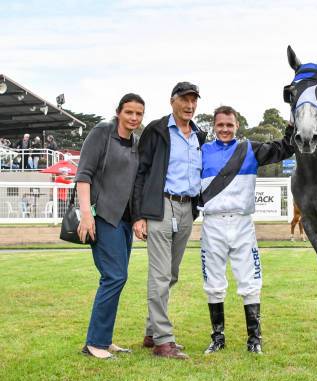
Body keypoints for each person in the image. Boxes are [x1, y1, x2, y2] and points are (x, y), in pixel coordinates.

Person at [199, 105, 294, 355]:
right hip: (212, 224)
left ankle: (254, 340)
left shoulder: (249, 148)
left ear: (237, 125)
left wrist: (294, 123)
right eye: (220, 125)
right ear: (213, 126)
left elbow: (284, 148)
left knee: (250, 281)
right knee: (213, 282)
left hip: (242, 224)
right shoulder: (201, 151)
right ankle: (217, 338)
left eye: (229, 125)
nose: (225, 129)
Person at [132, 82, 206, 360]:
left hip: (187, 210)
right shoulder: (157, 130)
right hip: (160, 207)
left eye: (194, 100)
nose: (190, 105)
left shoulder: (199, 134)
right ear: (172, 101)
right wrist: (138, 214)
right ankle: (164, 342)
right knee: (160, 275)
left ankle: (152, 333)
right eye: (184, 100)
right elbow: (141, 173)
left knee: (171, 274)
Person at [75, 93, 145, 359]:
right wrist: (86, 214)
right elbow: (84, 173)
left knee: (116, 278)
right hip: (102, 216)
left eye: (139, 114)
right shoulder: (102, 131)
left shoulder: (136, 142)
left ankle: (103, 339)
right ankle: (94, 344)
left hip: (124, 220)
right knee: (114, 276)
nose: (134, 118)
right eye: (129, 112)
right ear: (118, 112)